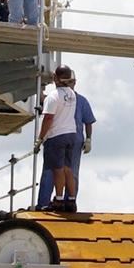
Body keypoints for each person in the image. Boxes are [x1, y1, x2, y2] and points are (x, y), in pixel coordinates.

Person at [37, 69, 96, 208]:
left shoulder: (73, 99)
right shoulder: (74, 98)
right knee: (66, 170)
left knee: (56, 170)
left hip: (59, 138)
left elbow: (88, 121)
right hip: (72, 138)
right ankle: (68, 201)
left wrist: (89, 138)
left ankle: (57, 202)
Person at [34, 65, 80, 212]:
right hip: (71, 134)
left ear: (55, 78)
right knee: (68, 168)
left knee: (57, 169)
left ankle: (59, 200)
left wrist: (40, 138)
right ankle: (71, 200)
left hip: (56, 136)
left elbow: (48, 118)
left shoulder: (53, 96)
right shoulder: (72, 94)